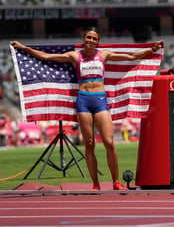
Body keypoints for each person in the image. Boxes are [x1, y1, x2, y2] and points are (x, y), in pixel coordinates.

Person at [10, 26, 163, 190]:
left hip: (100, 99)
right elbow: (47, 57)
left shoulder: (103, 55)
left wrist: (152, 49)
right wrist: (24, 48)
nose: (91, 40)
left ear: (98, 42)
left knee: (109, 142)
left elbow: (131, 56)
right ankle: (95, 183)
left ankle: (115, 182)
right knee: (89, 144)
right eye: (88, 37)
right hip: (83, 100)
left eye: (94, 38)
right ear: (84, 38)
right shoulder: (74, 56)